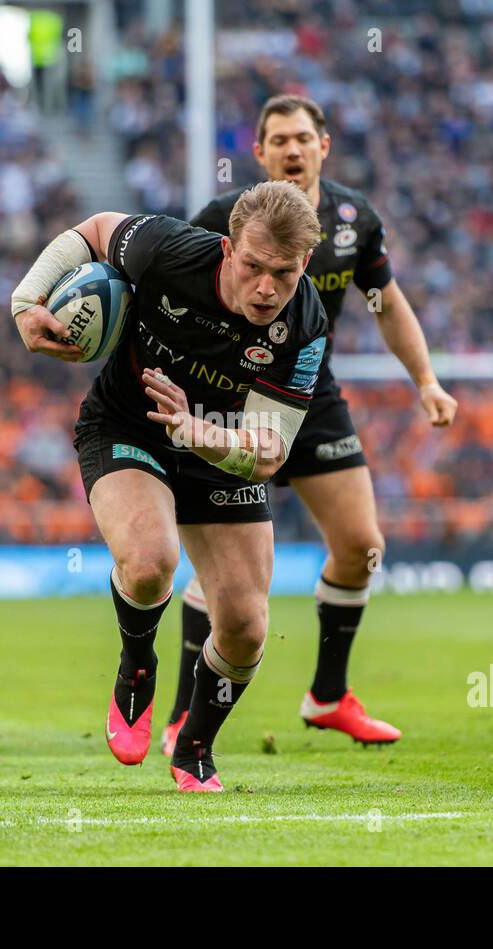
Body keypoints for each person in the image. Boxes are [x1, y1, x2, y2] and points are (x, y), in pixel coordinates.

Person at [164, 94, 458, 752]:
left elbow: (386, 303)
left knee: (362, 546)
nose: (292, 150)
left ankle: (327, 696)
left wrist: (427, 380)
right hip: (227, 395)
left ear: (324, 146)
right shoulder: (221, 219)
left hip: (309, 394)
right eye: (279, 140)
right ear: (259, 153)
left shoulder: (354, 221)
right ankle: (185, 713)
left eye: (304, 138)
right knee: (227, 575)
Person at [12, 181, 328, 791]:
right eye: (255, 267)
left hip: (221, 450)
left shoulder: (306, 323)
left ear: (304, 264)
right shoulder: (169, 251)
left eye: (283, 274)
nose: (266, 289)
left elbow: (266, 457)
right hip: (128, 424)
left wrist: (198, 431)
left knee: (244, 626)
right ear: (229, 248)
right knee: (153, 563)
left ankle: (195, 746)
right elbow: (99, 227)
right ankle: (137, 664)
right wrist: (27, 301)